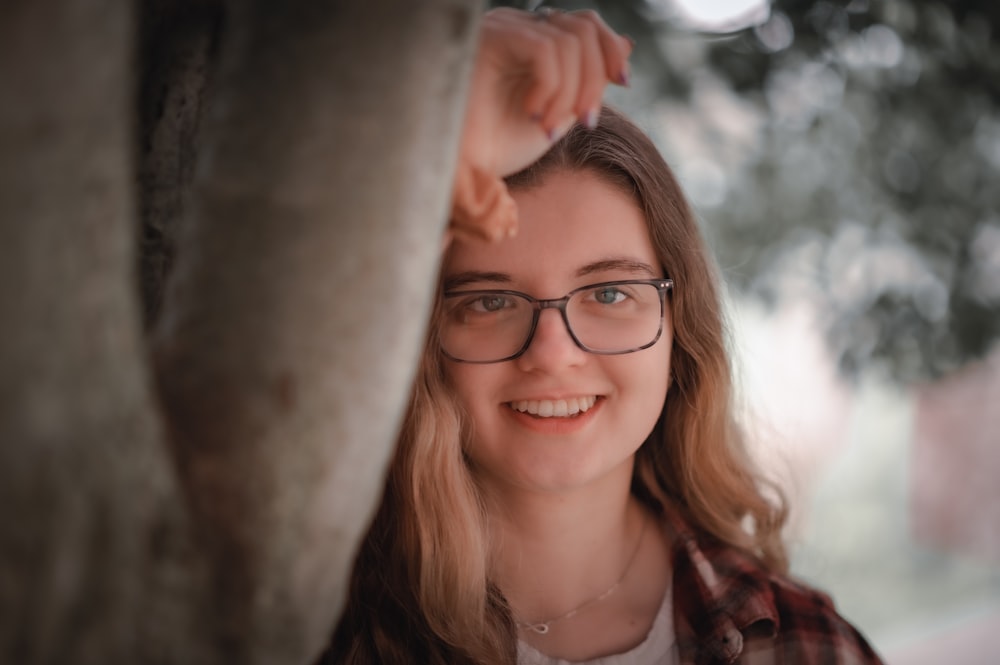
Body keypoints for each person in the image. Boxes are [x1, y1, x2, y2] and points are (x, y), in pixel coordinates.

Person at [322, 7, 884, 665]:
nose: (553, 353)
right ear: (417, 337)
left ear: (680, 330)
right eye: (490, 300)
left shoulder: (807, 643)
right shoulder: (305, 633)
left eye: (610, 293)